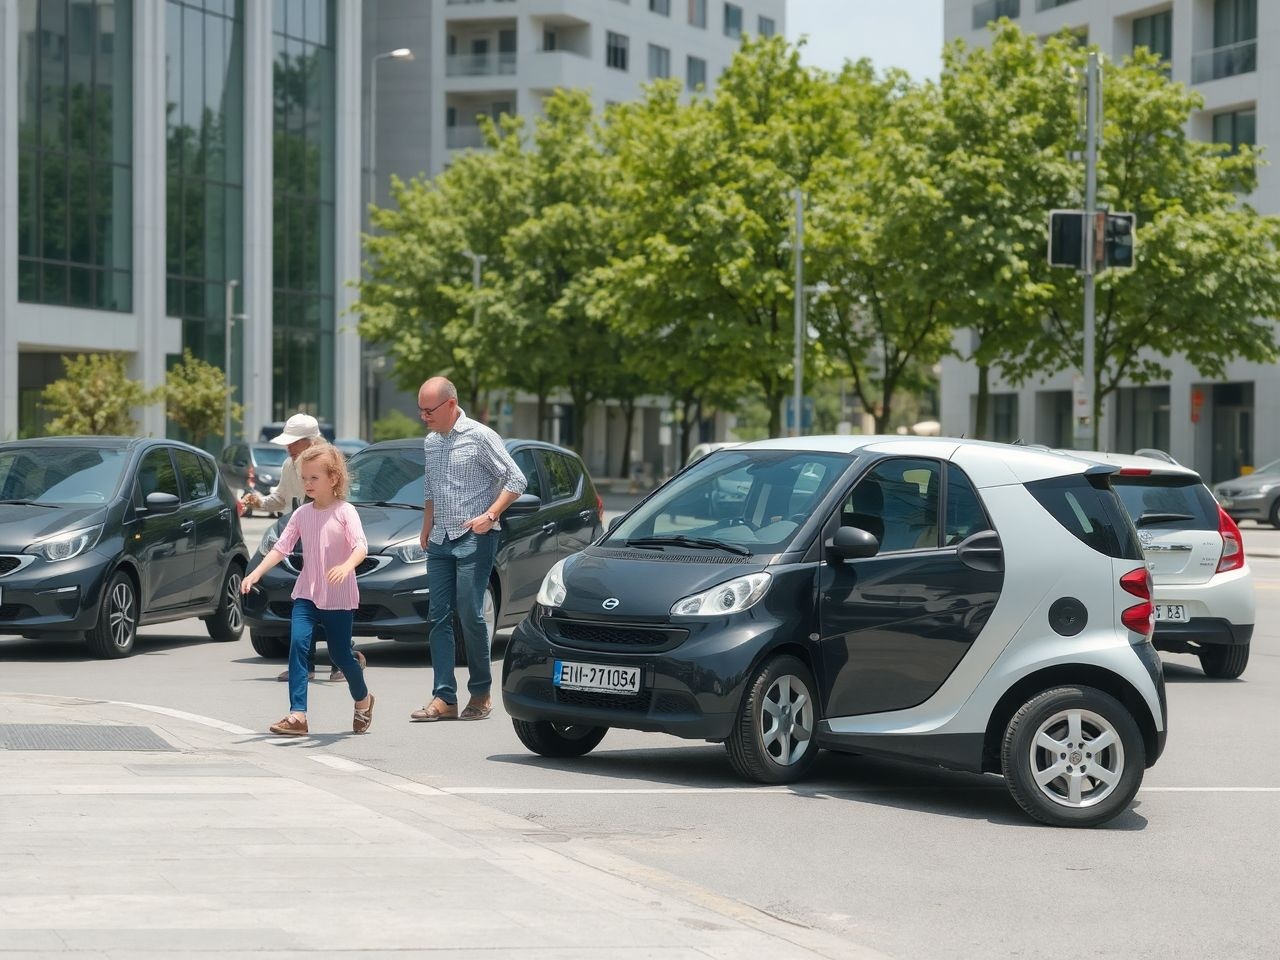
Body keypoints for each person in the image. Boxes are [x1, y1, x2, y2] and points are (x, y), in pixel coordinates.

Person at [410, 377, 526, 722]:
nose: (423, 416)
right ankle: (444, 697)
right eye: (420, 410)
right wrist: (426, 525)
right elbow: (431, 486)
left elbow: (516, 479)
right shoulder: (431, 442)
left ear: (450, 405)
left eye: (428, 410)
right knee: (438, 616)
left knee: (470, 613)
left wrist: (490, 515)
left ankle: (481, 692)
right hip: (440, 539)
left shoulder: (481, 436)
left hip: (475, 537)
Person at [241, 443, 375, 736]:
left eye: (314, 478)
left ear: (333, 479)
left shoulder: (345, 511)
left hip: (338, 597)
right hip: (307, 594)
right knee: (298, 646)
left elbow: (361, 546)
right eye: (304, 478)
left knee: (340, 656)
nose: (307, 484)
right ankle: (298, 715)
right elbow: (281, 548)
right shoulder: (302, 513)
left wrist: (347, 566)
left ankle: (363, 700)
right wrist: (255, 573)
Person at [243, 413, 365, 683]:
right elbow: (281, 499)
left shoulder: (332, 464)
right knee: (304, 603)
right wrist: (258, 502)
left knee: (332, 606)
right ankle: (304, 665)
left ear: (311, 441)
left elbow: (343, 503)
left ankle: (343, 661)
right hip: (297, 534)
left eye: (294, 442)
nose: (288, 447)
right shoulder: (289, 465)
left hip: (329, 539)